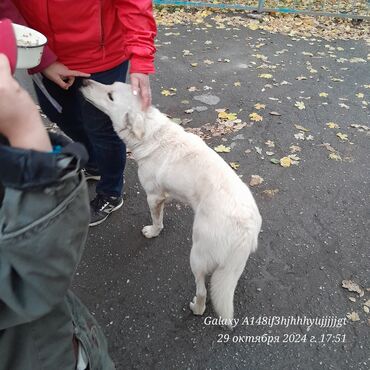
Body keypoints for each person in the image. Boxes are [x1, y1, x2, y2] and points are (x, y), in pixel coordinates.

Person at [0, 54, 115, 370]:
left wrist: (43, 58)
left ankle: (110, 188)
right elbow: (37, 272)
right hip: (47, 352)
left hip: (44, 338)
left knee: (98, 127)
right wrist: (26, 134)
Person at [2, 0, 157, 226]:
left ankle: (111, 191)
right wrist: (45, 59)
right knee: (58, 113)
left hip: (102, 55)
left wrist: (141, 59)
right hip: (43, 51)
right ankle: (94, 163)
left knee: (102, 129)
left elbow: (135, 4)